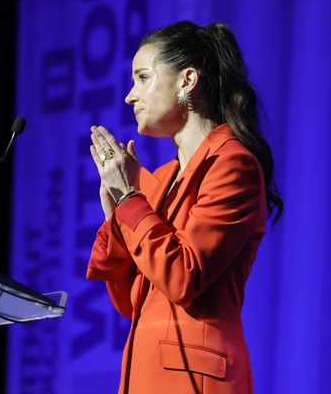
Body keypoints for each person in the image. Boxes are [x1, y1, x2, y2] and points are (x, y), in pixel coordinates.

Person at [86, 21, 283, 394]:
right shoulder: (160, 178)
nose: (130, 96)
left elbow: (182, 276)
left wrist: (130, 199)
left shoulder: (233, 165)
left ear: (187, 81)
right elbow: (132, 300)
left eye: (143, 78)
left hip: (195, 379)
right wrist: (116, 210)